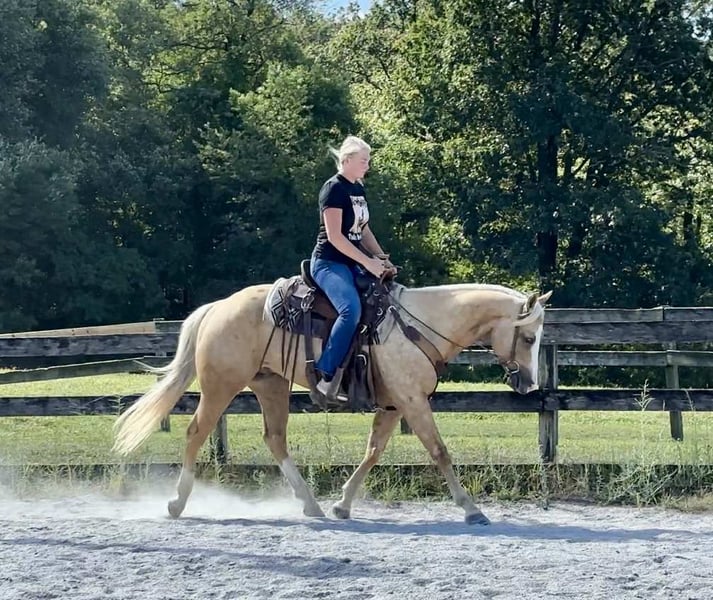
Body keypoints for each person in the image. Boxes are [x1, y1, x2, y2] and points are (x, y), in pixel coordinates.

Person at [310, 135, 393, 402]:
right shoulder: (333, 189)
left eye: (368, 160)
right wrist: (368, 262)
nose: (367, 165)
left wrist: (381, 257)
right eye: (363, 160)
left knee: (387, 301)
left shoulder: (358, 189)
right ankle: (325, 375)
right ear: (346, 160)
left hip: (351, 263)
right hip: (328, 263)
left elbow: (363, 230)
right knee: (351, 311)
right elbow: (335, 237)